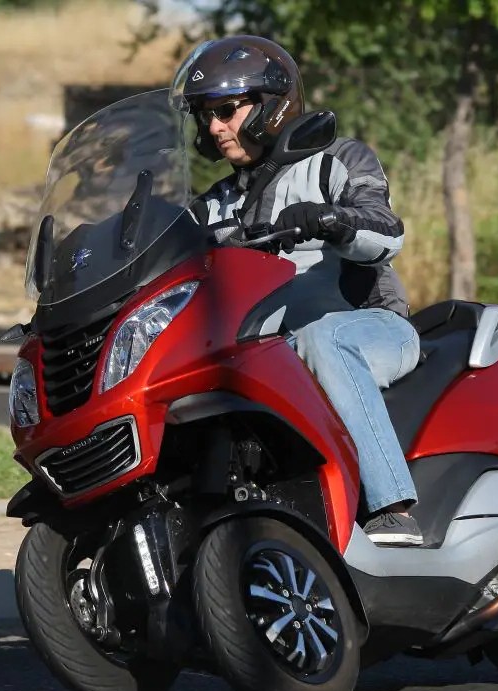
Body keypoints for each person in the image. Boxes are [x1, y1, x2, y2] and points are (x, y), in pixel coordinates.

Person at [171, 35, 424, 547]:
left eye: (226, 110)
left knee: (323, 338)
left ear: (272, 104)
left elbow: (385, 232)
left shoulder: (337, 160)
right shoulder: (215, 204)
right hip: (270, 352)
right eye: (206, 115)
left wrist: (332, 219)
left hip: (370, 326)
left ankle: (392, 508)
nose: (215, 127)